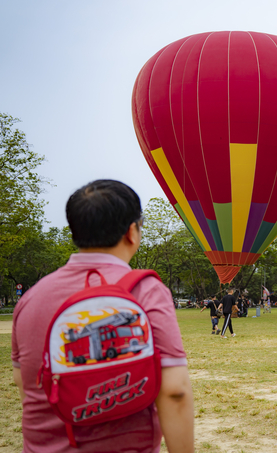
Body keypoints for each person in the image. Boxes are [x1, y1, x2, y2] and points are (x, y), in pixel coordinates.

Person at [11, 180, 193, 452]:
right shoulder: (146, 290)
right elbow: (174, 390)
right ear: (132, 231)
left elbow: (25, 383)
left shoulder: (31, 298)